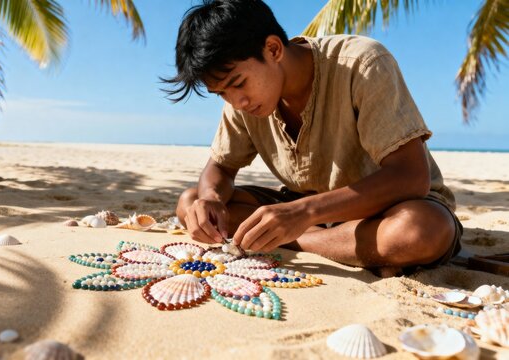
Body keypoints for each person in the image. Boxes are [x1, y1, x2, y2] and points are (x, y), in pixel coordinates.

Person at [161, 0, 462, 276]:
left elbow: (411, 177)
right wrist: (211, 200)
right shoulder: (241, 101)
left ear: (274, 49)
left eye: (238, 84)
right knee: (191, 202)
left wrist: (303, 215)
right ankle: (332, 244)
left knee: (420, 232)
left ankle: (297, 240)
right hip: (307, 209)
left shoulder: (362, 63)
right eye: (221, 94)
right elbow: (221, 169)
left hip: (388, 207)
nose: (236, 102)